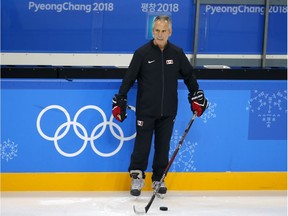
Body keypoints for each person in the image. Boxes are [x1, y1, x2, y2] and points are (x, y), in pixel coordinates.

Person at [112, 15, 208, 197]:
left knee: (163, 147)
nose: (160, 34)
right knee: (142, 145)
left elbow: (189, 76)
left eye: (163, 31)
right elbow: (129, 78)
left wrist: (196, 95)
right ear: (152, 31)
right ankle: (137, 176)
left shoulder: (177, 53)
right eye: (157, 30)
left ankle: (158, 178)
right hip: (146, 110)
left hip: (168, 111)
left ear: (170, 32)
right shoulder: (142, 53)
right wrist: (121, 97)